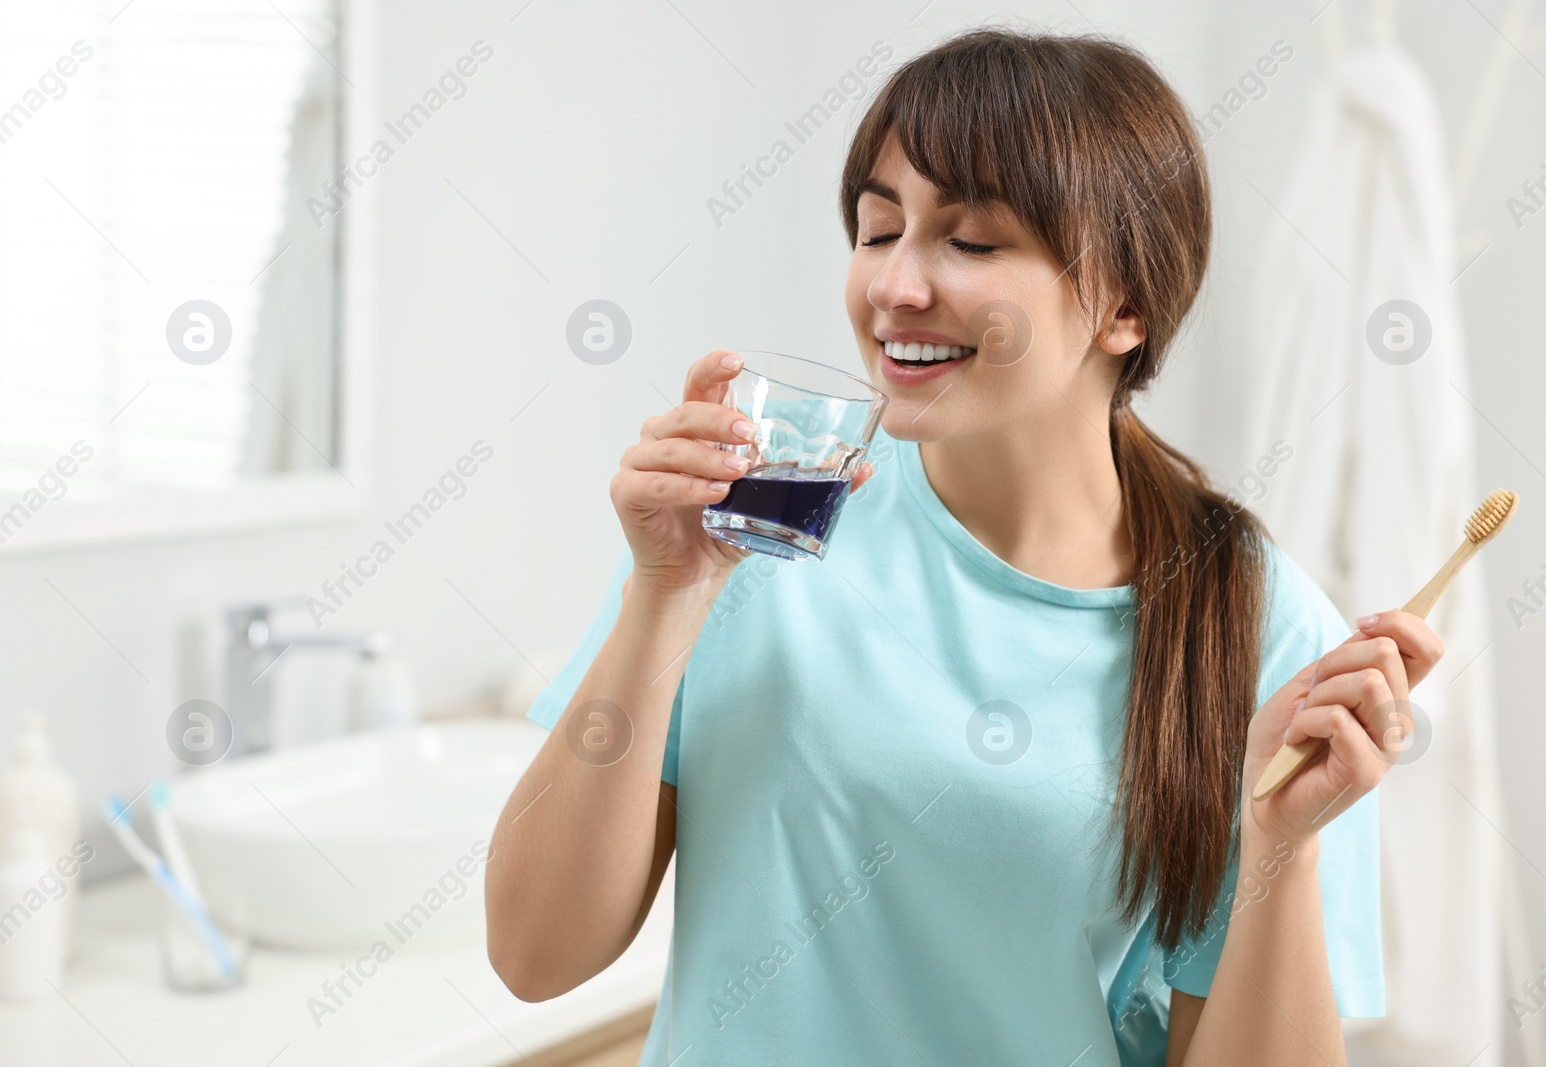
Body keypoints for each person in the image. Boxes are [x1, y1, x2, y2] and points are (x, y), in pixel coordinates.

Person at [487, 27, 1442, 1066]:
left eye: (971, 243)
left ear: (1123, 301)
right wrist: (661, 592)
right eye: (876, 230)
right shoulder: (759, 524)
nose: (895, 287)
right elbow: (536, 952)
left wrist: (1282, 852)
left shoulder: (1251, 622)